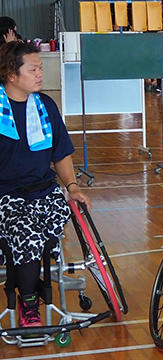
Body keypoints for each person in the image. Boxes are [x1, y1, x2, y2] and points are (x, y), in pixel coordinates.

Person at [0, 41, 90, 327]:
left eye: (41, 68)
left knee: (44, 227)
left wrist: (72, 186)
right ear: (11, 75)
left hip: (45, 192)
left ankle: (32, 281)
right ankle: (29, 302)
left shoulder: (45, 105)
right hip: (7, 195)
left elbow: (60, 153)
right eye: (34, 69)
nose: (40, 74)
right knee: (28, 232)